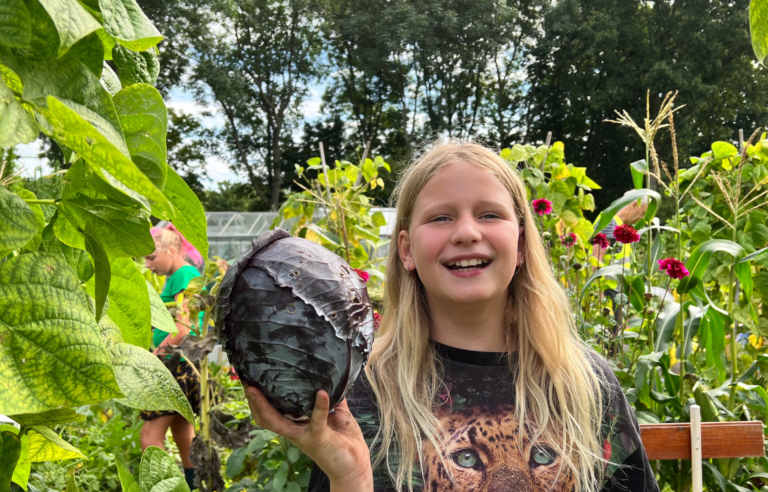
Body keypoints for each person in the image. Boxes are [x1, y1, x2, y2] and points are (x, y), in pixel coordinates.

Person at [243, 141, 659, 492]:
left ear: (521, 245)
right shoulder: (364, 393)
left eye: (489, 214)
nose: (466, 232)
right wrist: (350, 476)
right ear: (406, 250)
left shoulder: (586, 385)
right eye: (441, 217)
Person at [141, 224, 204, 489]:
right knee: (182, 435)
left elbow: (185, 325)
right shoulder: (175, 276)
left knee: (150, 438)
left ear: (170, 251)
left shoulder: (184, 275)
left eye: (152, 257)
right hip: (182, 364)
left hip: (174, 365)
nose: (147, 264)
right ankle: (193, 486)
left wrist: (156, 356)